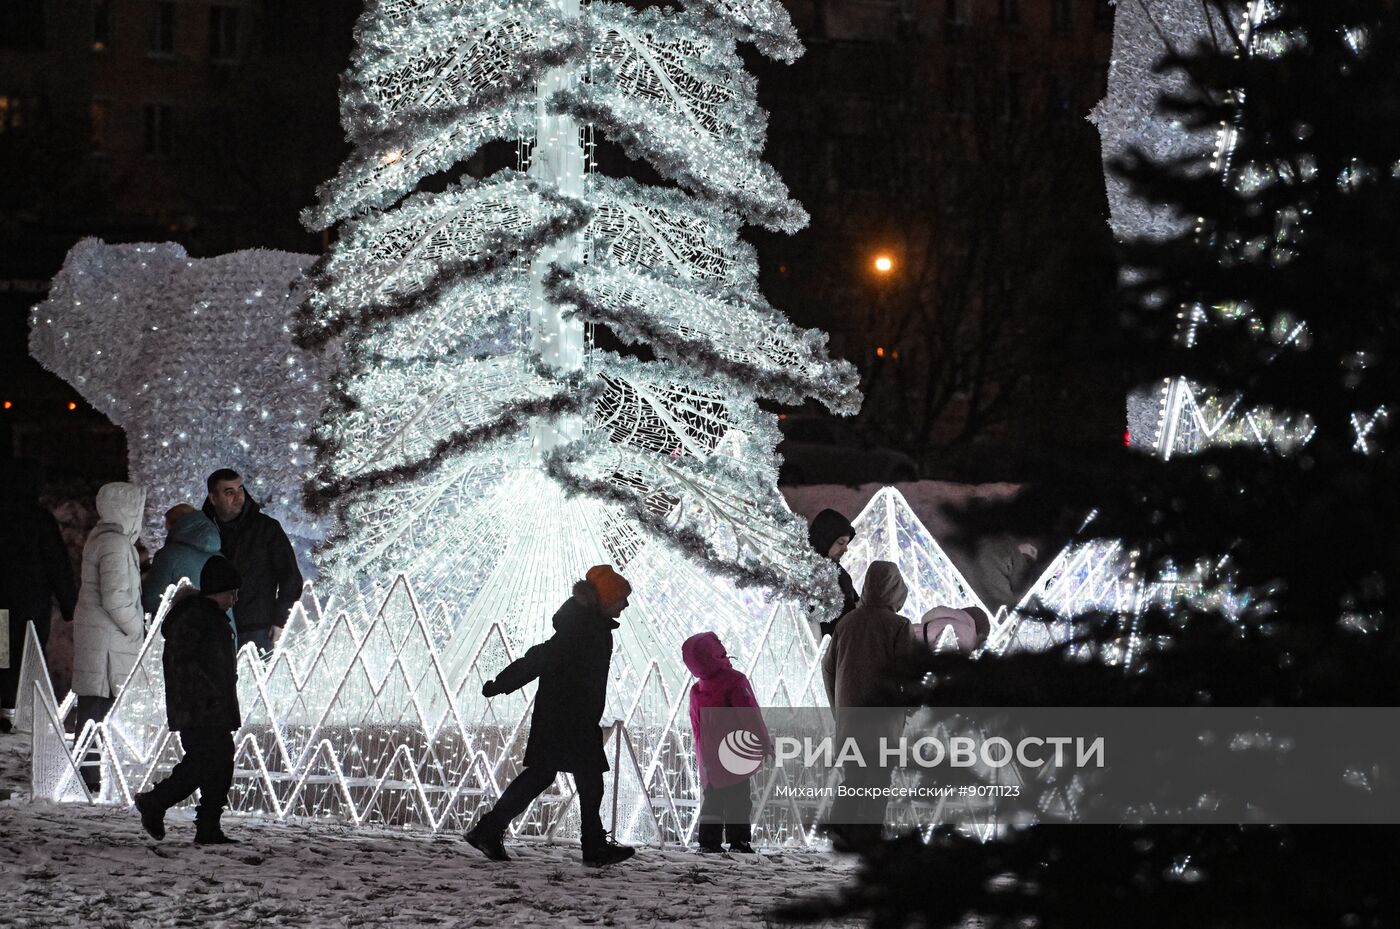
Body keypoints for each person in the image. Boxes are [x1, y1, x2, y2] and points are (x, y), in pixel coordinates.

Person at [466, 565, 636, 867]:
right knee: (579, 779)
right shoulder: (581, 629)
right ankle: (592, 846)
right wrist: (503, 683)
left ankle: (490, 830)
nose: (625, 604)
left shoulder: (591, 626)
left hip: (571, 717)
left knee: (558, 777)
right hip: (565, 719)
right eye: (621, 598)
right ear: (605, 599)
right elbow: (540, 658)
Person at [134, 556, 242, 845]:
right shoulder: (195, 617)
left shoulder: (210, 616)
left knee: (217, 761)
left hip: (211, 706)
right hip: (199, 708)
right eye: (230, 592)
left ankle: (207, 825)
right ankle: (156, 802)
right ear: (215, 590)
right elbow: (184, 665)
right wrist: (209, 697)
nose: (234, 599)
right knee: (206, 761)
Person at [821, 560, 920, 851]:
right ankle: (868, 836)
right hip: (883, 719)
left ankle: (841, 830)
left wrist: (838, 706)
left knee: (854, 774)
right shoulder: (899, 626)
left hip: (850, 717)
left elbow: (828, 669)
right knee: (877, 778)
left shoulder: (846, 622)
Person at [72, 481, 147, 789]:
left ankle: (88, 775)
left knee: (94, 707)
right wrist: (136, 627)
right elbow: (115, 596)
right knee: (99, 708)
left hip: (102, 637)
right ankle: (90, 777)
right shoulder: (115, 543)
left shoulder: (104, 538)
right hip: (109, 640)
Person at [0, 459, 77, 734]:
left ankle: (5, 707)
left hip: (2, 606)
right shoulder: (39, 518)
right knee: (29, 656)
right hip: (30, 604)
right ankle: (21, 714)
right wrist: (70, 606)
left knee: (2, 655)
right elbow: (57, 564)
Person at [682, 631, 772, 854]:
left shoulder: (697, 689)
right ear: (717, 653)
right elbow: (749, 714)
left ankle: (708, 841)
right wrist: (763, 742)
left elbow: (696, 724)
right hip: (735, 753)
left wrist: (702, 755)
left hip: (710, 757)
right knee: (739, 799)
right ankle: (739, 841)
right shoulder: (735, 682)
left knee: (712, 799)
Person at [201, 469, 302, 654]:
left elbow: (290, 577)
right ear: (213, 498)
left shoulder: (266, 528)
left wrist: (280, 620)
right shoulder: (204, 532)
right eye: (229, 492)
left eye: (240, 489)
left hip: (258, 627)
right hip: (214, 627)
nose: (238, 496)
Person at [142, 504, 222, 621]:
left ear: (174, 526)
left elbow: (149, 601)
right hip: (223, 632)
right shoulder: (220, 557)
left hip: (188, 633)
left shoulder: (169, 555)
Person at [808, 508, 859, 638]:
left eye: (846, 543)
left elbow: (855, 602)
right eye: (840, 542)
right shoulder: (807, 573)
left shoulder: (839, 571)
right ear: (825, 539)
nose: (845, 549)